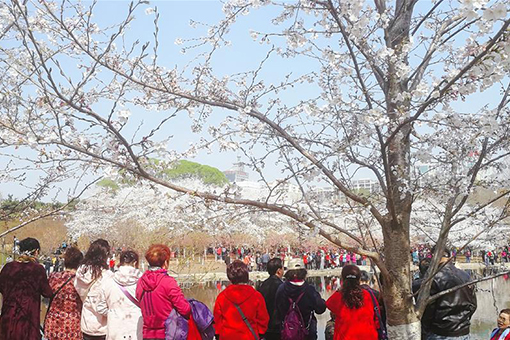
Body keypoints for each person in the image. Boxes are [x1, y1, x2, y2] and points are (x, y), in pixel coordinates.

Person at [0, 237, 53, 340]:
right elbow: (47, 293)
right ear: (36, 251)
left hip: (8, 317)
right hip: (28, 319)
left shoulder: (8, 267)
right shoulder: (38, 269)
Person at [419, 248, 477, 339]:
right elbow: (473, 305)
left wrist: (424, 332)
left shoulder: (434, 278)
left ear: (434, 256)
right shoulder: (466, 275)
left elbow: (429, 310)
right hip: (463, 331)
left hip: (441, 332)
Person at [136, 244, 191, 340]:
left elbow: (138, 300)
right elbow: (185, 309)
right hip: (167, 333)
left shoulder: (141, 281)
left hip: (147, 334)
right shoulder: (168, 282)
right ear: (165, 262)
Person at [214, 260, 269, 339]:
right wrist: (260, 333)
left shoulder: (222, 297)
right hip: (249, 336)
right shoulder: (256, 296)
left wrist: (218, 334)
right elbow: (263, 320)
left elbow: (217, 322)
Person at [275, 258, 326, 340]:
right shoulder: (310, 290)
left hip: (287, 333)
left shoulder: (282, 289)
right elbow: (320, 309)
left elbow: (277, 308)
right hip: (307, 333)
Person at [97, 250, 143, 340]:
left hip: (115, 328)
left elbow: (100, 307)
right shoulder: (143, 282)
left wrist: (112, 313)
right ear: (135, 263)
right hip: (136, 328)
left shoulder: (108, 281)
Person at [326, 265, 379, 340]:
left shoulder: (338, 296)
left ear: (343, 278)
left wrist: (341, 288)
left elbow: (328, 304)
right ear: (359, 279)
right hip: (368, 336)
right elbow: (377, 318)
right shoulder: (368, 295)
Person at [74, 239, 114, 340]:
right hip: (103, 327)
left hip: (86, 323)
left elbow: (78, 291)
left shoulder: (81, 273)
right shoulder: (107, 276)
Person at [44, 246, 84, 340]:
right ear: (79, 263)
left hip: (53, 323)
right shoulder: (81, 281)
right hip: (72, 325)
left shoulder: (53, 277)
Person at [258, 258, 284, 340]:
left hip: (265, 326)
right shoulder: (282, 286)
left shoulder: (262, 285)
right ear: (279, 271)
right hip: (278, 325)